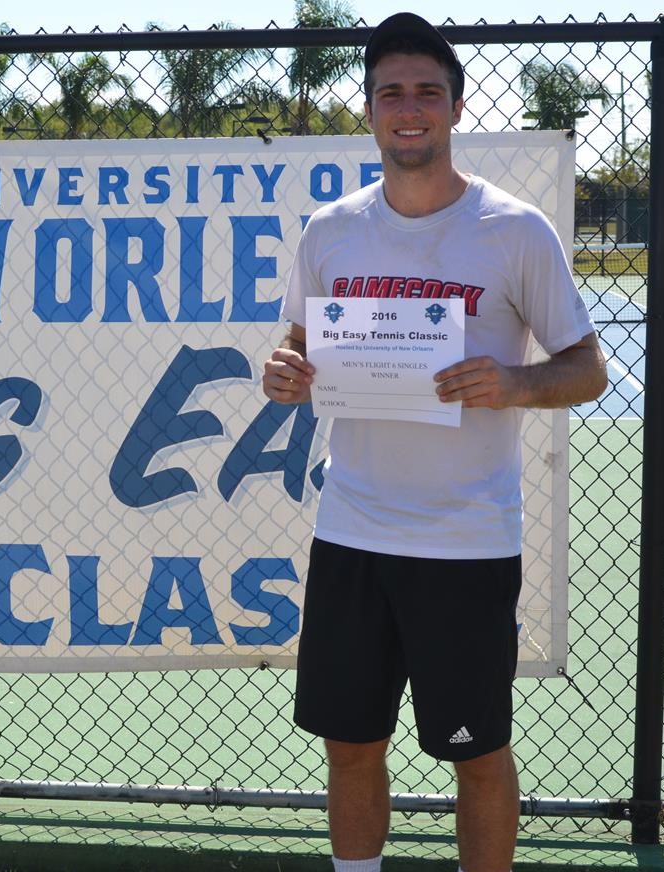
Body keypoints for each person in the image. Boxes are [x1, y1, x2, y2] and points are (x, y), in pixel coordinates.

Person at [261, 12, 607, 872]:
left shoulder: (513, 230)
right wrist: (285, 370)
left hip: (463, 540)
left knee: (475, 755)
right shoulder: (330, 229)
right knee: (349, 746)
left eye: (425, 92)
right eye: (389, 93)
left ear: (453, 108)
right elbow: (302, 343)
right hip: (351, 532)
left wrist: (517, 383)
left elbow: (587, 368)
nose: (406, 107)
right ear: (370, 111)